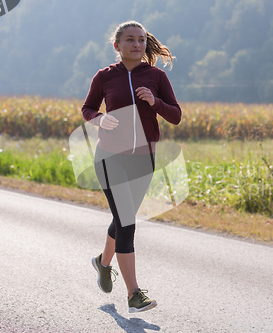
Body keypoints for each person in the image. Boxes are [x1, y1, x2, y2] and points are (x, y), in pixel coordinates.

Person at [81, 20, 181, 313]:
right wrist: (99, 119)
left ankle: (103, 262)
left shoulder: (156, 77)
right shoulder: (104, 77)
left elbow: (175, 115)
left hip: (144, 158)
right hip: (110, 157)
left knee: (123, 218)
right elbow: (87, 108)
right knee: (127, 222)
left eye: (140, 40)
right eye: (129, 40)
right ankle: (134, 294)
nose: (136, 44)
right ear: (117, 45)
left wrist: (155, 102)